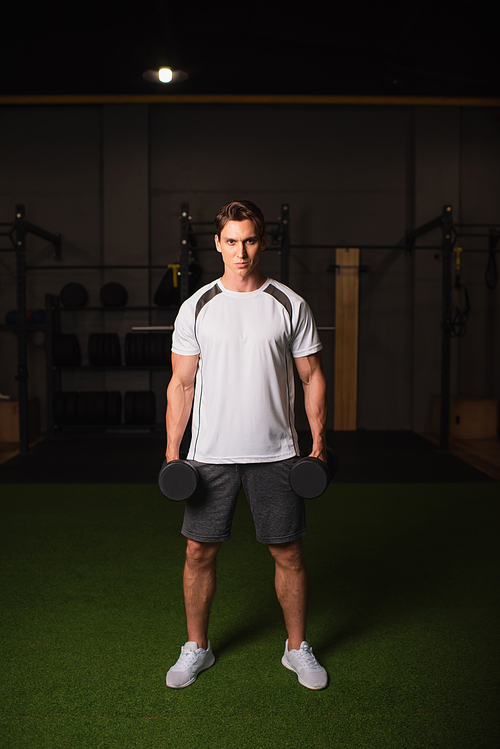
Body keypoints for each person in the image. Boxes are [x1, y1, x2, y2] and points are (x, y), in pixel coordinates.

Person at [165, 200, 328, 690]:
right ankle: (198, 647)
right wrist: (173, 452)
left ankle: (296, 649)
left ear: (264, 241)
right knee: (198, 552)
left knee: (289, 553)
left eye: (250, 240)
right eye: (231, 241)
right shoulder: (196, 305)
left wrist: (319, 442)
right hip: (210, 454)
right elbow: (181, 384)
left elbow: (313, 376)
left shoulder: (289, 303)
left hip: (276, 454)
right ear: (216, 243)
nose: (241, 251)